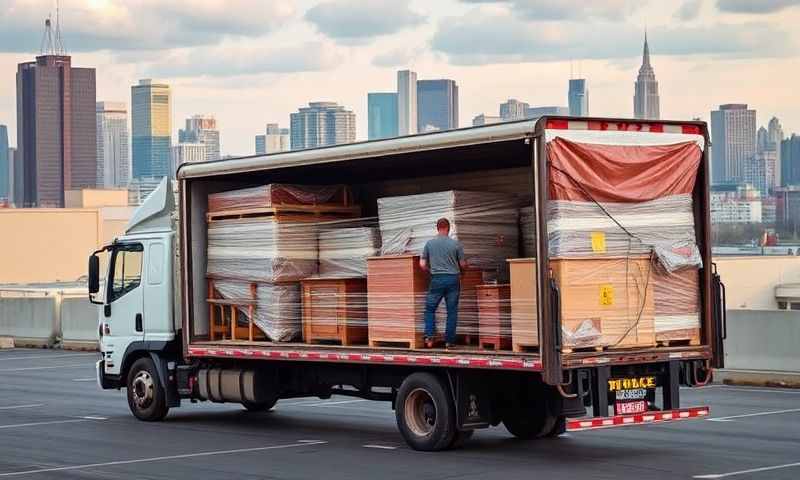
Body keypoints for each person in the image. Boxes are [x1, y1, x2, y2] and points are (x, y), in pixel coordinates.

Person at [420, 218, 467, 348]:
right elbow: (463, 264)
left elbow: (422, 264)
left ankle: (429, 338)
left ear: (437, 228)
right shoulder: (455, 244)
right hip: (453, 279)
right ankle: (449, 342)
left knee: (430, 309)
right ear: (448, 228)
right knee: (451, 311)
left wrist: (431, 271)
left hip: (437, 279)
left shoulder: (429, 244)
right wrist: (463, 273)